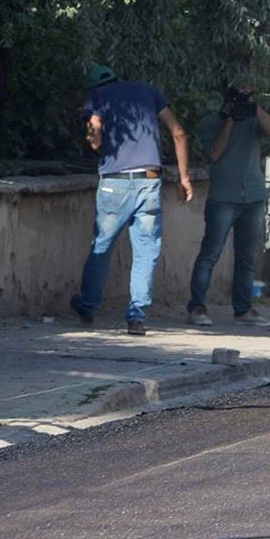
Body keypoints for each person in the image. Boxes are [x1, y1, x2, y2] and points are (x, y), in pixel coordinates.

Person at [74, 64, 193, 335]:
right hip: (150, 181)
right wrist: (184, 177)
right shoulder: (148, 92)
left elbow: (94, 137)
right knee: (146, 252)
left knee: (102, 247)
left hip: (115, 183)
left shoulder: (98, 96)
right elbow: (179, 133)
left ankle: (88, 307)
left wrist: (98, 141)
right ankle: (137, 317)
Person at [185, 83, 270, 330]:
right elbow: (214, 154)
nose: (244, 102)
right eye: (240, 97)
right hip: (223, 198)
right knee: (210, 255)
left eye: (250, 95)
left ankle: (244, 310)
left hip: (253, 197)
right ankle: (196, 307)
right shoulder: (210, 123)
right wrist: (230, 119)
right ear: (226, 99)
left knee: (247, 258)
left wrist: (254, 107)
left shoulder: (254, 121)